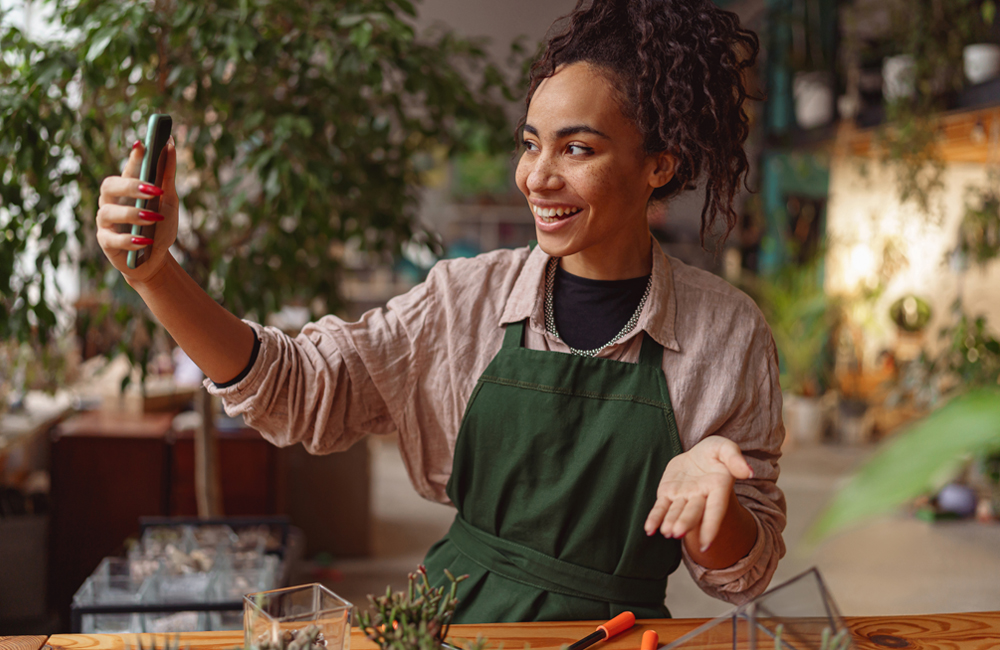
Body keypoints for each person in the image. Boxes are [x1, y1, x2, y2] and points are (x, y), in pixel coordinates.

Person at [96, 0, 785, 623]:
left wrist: (713, 502)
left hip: (615, 635)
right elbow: (297, 387)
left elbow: (741, 573)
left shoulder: (724, 332)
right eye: (530, 142)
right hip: (451, 622)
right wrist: (158, 277)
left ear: (658, 165)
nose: (537, 177)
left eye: (577, 148)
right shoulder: (465, 300)